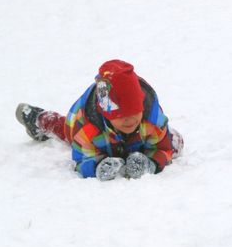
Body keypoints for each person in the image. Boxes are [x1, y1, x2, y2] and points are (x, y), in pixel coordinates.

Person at [15, 59, 183, 180]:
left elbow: (164, 148)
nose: (129, 120)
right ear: (106, 114)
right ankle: (38, 119)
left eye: (134, 112)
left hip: (139, 138)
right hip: (89, 131)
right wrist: (97, 166)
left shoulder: (152, 120)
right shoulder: (87, 128)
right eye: (121, 116)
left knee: (175, 142)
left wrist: (151, 163)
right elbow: (81, 161)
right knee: (65, 130)